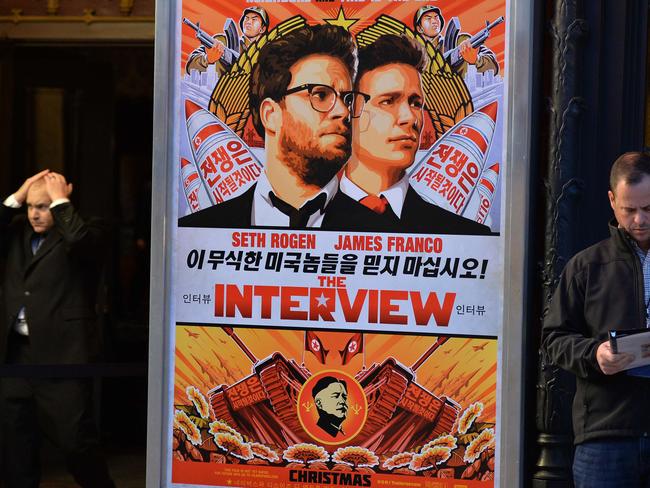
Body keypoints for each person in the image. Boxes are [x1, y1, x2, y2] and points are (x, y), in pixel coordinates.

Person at [179, 24, 386, 231]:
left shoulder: (382, 235)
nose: (343, 112)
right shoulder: (199, 231)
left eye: (348, 99)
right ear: (271, 114)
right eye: (321, 95)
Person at [542, 151, 650, 487]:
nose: (639, 220)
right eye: (629, 210)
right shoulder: (586, 266)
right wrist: (595, 354)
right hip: (605, 436)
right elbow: (553, 339)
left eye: (648, 208)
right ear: (611, 200)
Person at [0, 170, 114, 487]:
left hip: (63, 357)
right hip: (16, 358)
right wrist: (17, 197)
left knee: (76, 443)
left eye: (45, 206)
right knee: (15, 448)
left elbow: (82, 243)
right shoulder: (16, 231)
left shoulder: (88, 229)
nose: (36, 214)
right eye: (32, 206)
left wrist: (60, 202)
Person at [340, 34, 490, 235]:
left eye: (415, 103)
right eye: (388, 101)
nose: (410, 117)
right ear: (349, 110)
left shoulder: (467, 236)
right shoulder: (300, 226)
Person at [413, 5, 499, 77]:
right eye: (428, 18)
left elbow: (493, 66)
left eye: (436, 17)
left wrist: (476, 60)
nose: (434, 21)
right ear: (419, 28)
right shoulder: (416, 55)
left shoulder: (461, 41)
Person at [185, 6, 269, 75]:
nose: (248, 22)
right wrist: (207, 59)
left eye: (254, 19)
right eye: (246, 18)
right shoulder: (222, 41)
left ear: (262, 29)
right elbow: (190, 65)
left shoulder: (265, 55)